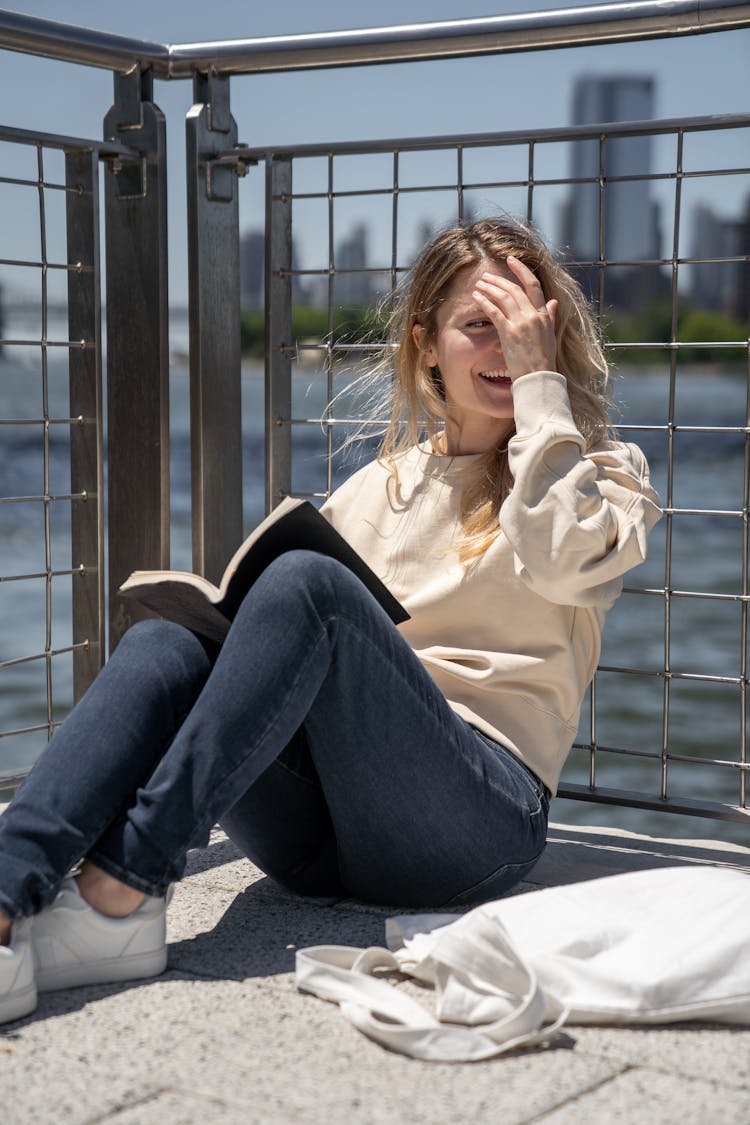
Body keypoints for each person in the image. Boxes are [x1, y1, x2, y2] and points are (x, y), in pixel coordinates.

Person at [0, 217, 661, 1025]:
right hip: (321, 843)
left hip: (476, 824)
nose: (502, 348)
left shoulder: (602, 477)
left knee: (308, 584)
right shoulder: (377, 488)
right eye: (478, 326)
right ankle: (6, 891)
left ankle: (119, 890)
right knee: (168, 641)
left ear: (549, 339)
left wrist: (539, 395)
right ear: (426, 345)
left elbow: (564, 559)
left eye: (523, 327)